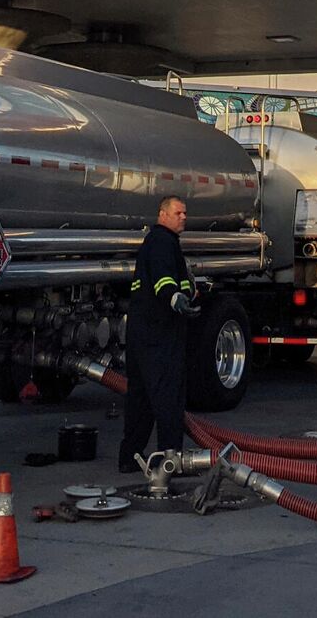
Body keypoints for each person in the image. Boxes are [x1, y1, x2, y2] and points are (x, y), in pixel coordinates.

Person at [120, 193, 194, 472]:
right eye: (178, 213)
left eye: (185, 213)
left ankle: (129, 458)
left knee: (140, 398)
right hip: (160, 333)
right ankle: (170, 460)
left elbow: (172, 280)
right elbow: (164, 281)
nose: (183, 217)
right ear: (163, 215)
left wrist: (188, 291)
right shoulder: (163, 241)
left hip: (142, 332)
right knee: (167, 396)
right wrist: (177, 299)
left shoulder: (156, 242)